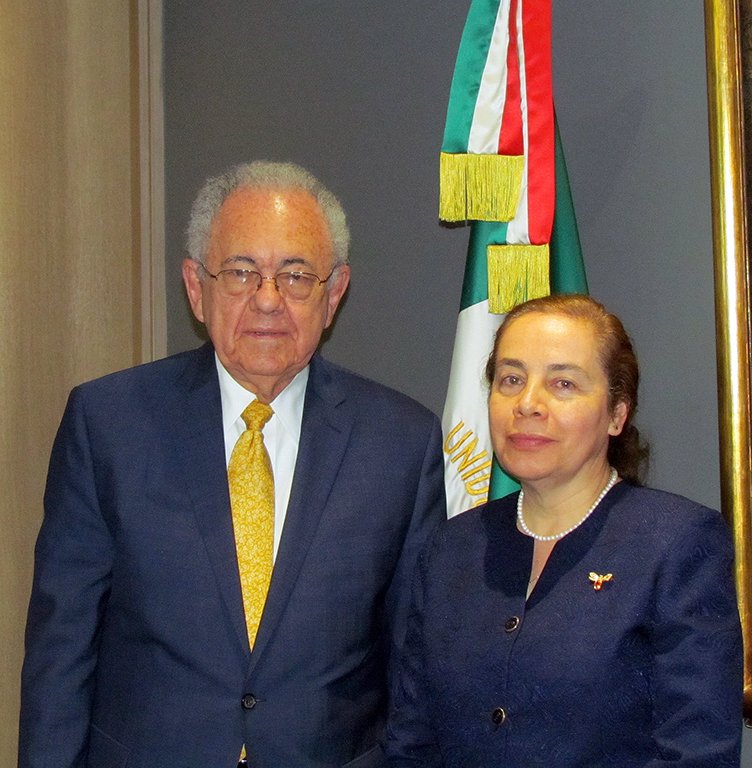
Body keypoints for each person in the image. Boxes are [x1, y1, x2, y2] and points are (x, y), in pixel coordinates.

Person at [19, 161, 446, 768]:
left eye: (296, 276)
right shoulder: (109, 425)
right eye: (242, 272)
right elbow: (60, 655)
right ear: (197, 288)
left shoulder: (401, 443)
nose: (268, 300)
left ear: (333, 294)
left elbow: (415, 672)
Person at [385, 294, 742, 767]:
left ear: (617, 414)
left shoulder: (676, 543)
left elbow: (697, 752)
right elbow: (411, 743)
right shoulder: (453, 548)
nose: (528, 404)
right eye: (511, 379)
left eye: (563, 384)